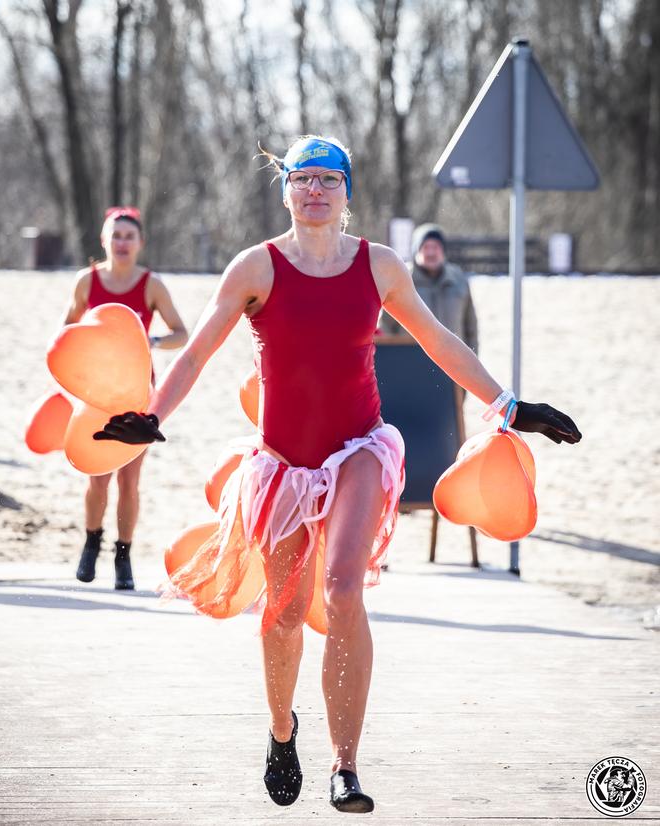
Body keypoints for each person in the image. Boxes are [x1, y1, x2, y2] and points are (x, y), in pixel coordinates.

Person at [92, 137, 581, 812]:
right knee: (286, 612)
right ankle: (282, 729)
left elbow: (439, 339)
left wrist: (509, 406)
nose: (315, 190)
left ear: (347, 192)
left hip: (359, 449)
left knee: (344, 587)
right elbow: (199, 348)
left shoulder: (378, 267)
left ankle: (345, 766)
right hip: (282, 465)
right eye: (303, 178)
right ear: (285, 187)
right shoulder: (254, 268)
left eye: (329, 179)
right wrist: (151, 415)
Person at [62, 206, 188, 590]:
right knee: (96, 479)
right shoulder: (87, 282)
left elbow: (181, 333)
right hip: (95, 395)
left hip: (137, 395)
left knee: (129, 482)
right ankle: (90, 542)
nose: (121, 243)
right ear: (104, 240)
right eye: (115, 236)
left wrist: (150, 341)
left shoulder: (151, 285)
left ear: (140, 243)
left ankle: (123, 556)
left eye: (128, 237)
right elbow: (66, 332)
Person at [379, 223, 478, 353]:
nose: (431, 252)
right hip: (409, 363)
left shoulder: (458, 280)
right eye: (426, 247)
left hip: (453, 364)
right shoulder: (401, 279)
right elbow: (385, 327)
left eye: (435, 247)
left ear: (443, 251)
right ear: (416, 251)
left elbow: (470, 327)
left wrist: (473, 360)